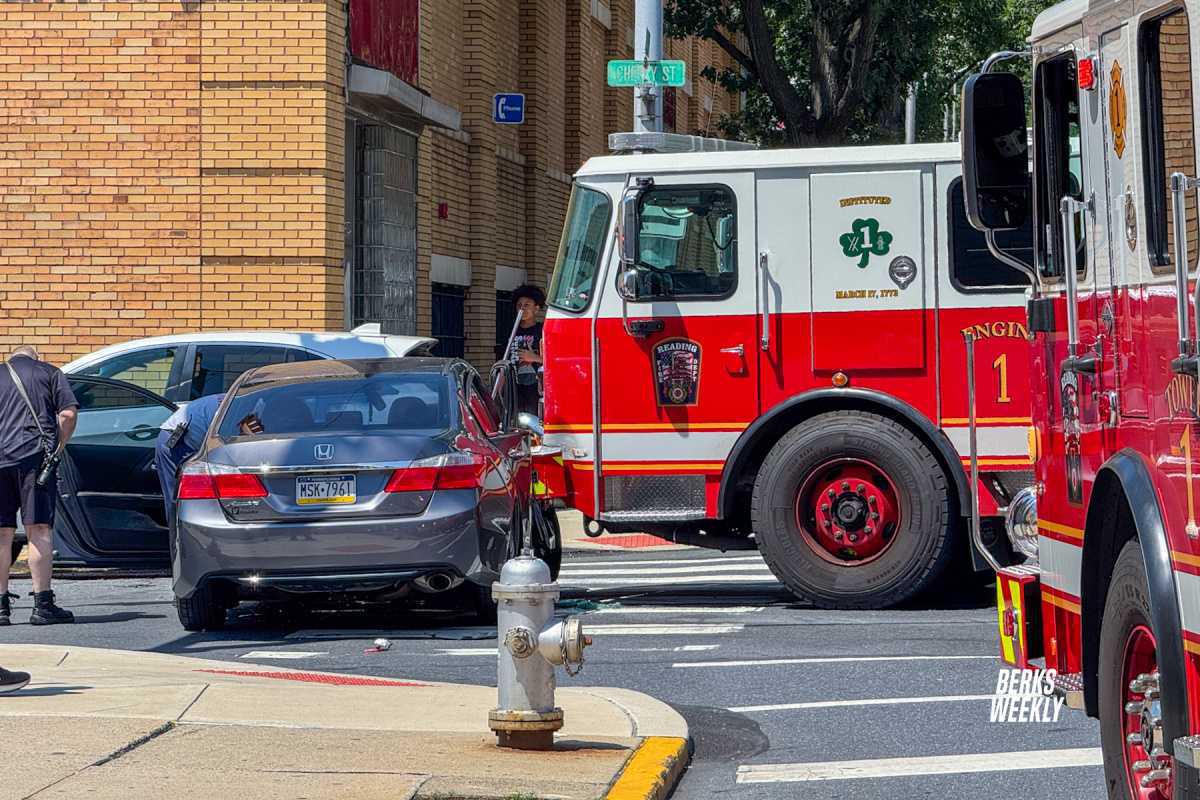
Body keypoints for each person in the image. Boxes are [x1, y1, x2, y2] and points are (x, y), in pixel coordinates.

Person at [0, 345, 78, 626]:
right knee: (39, 529)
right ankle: (42, 605)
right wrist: (59, 447)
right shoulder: (50, 373)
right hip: (35, 460)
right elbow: (67, 415)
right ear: (35, 357)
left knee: (2, 533)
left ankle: (0, 608)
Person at [509, 284, 545, 417]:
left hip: (536, 388)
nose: (522, 308)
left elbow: (554, 360)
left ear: (536, 308)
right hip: (513, 385)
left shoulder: (543, 331)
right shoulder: (511, 330)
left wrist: (534, 358)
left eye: (527, 305)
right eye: (519, 305)